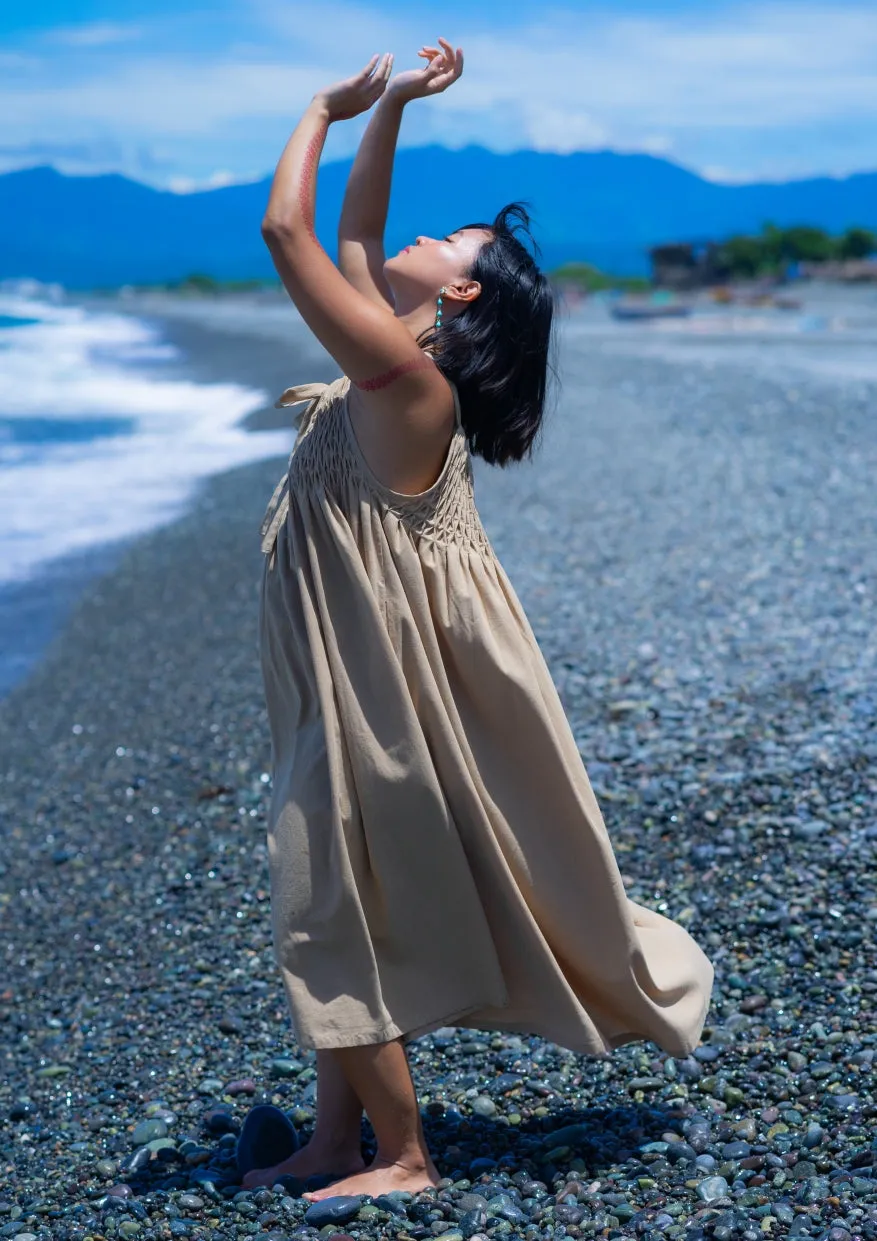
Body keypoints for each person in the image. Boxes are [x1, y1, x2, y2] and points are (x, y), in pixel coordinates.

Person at [246, 39, 714, 1200]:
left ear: (459, 291)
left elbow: (290, 238)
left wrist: (316, 107)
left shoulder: (409, 389)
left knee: (327, 895)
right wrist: (391, 107)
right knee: (348, 889)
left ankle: (402, 1155)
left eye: (446, 237)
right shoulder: (395, 364)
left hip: (383, 692)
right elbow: (353, 239)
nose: (412, 236)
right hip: (346, 672)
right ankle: (329, 1138)